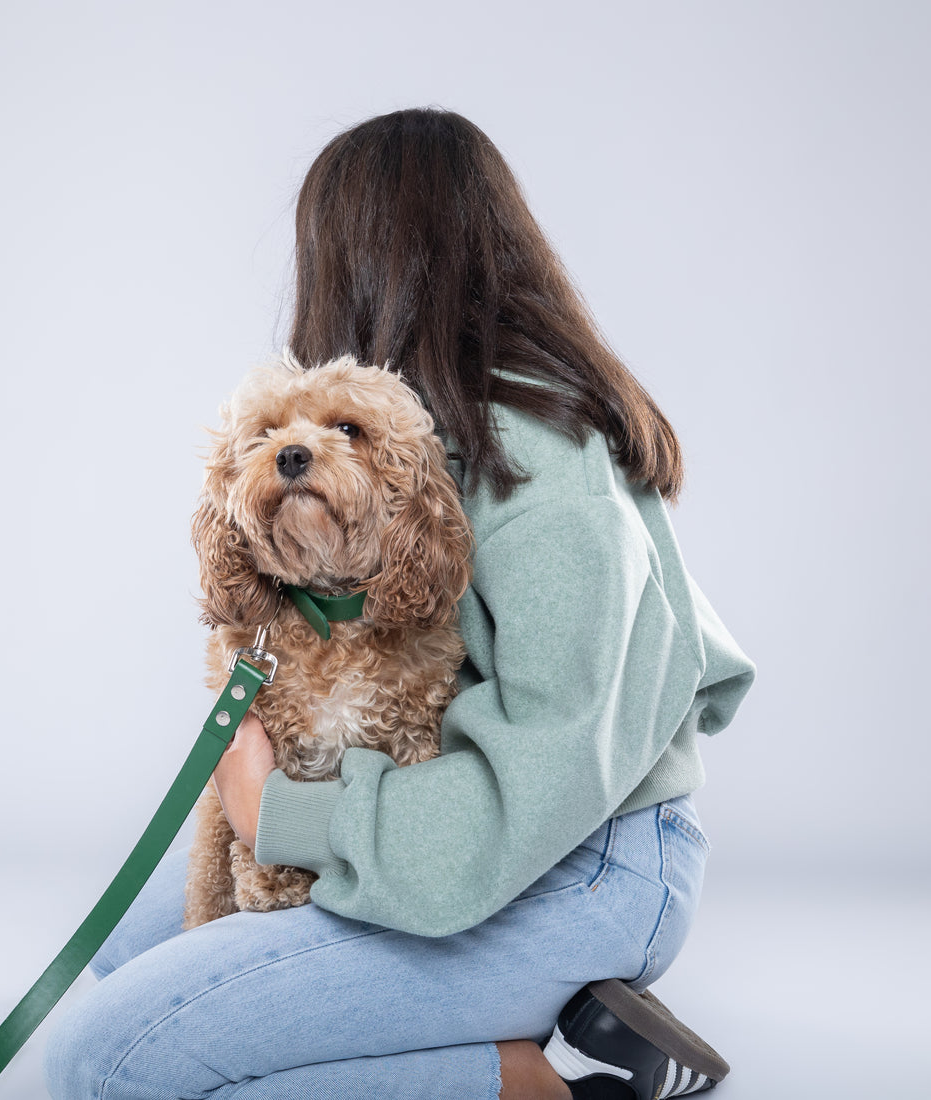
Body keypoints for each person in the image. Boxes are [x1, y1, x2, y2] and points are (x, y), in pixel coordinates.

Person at [44, 107, 755, 1100]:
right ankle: (479, 1051)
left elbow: (539, 776)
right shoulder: (424, 419)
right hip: (467, 821)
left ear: (361, 260)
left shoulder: (546, 467)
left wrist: (275, 808)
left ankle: (524, 1083)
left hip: (581, 862)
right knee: (128, 958)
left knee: (105, 1060)